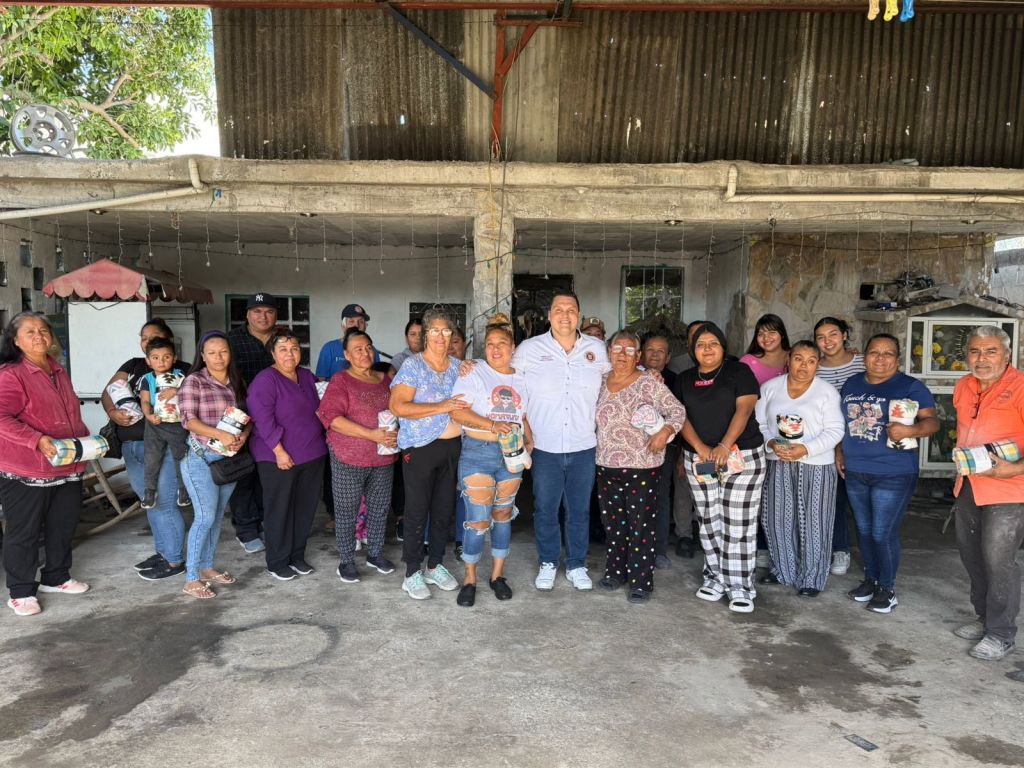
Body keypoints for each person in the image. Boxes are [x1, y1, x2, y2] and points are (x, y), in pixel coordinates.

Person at [513, 290, 611, 592]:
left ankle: (577, 564)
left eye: (571, 310)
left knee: (579, 510)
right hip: (544, 446)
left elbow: (616, 381)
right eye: (558, 309)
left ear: (578, 315)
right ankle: (548, 561)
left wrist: (649, 375)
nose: (565, 315)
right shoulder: (529, 348)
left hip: (584, 445)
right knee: (545, 508)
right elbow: (511, 386)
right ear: (549, 315)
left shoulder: (596, 348)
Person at [837, 333, 938, 614]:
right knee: (864, 530)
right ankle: (871, 579)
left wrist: (910, 429)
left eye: (888, 353)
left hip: (894, 471)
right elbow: (843, 423)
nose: (880, 359)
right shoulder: (852, 384)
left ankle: (887, 588)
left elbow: (932, 423)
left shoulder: (911, 387)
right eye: (874, 352)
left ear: (897, 359)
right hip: (856, 469)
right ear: (864, 356)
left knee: (882, 532)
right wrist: (839, 452)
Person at [0, 312, 91, 616]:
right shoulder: (11, 374)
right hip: (27, 467)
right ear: (15, 340)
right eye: (30, 332)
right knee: (24, 531)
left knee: (62, 525)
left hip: (66, 462)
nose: (39, 336)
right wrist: (36, 439)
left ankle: (56, 576)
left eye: (43, 330)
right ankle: (21, 591)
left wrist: (83, 442)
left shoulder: (57, 369)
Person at [673, 322, 765, 614]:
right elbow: (680, 417)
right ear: (693, 350)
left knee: (737, 522)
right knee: (709, 518)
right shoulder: (685, 379)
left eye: (713, 343)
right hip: (700, 458)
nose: (707, 349)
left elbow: (745, 409)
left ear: (723, 347)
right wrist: (701, 448)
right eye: (701, 345)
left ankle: (740, 586)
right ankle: (715, 577)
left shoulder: (739, 372)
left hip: (740, 455)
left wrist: (725, 445)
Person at [950, 326, 1024, 660]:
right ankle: (984, 618)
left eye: (991, 351)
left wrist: (1015, 468)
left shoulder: (1020, 387)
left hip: (1008, 490)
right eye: (975, 351)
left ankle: (1001, 633)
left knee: (999, 562)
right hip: (969, 484)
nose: (982, 359)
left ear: (1007, 354)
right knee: (972, 556)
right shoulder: (964, 386)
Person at [448, 313, 532, 607]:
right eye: (490, 344)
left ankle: (497, 576)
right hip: (478, 451)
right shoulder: (474, 372)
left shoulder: (522, 378)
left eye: (502, 343)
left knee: (503, 515)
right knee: (477, 520)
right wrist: (492, 425)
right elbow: (457, 412)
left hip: (511, 454)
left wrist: (529, 440)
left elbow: (522, 416)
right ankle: (469, 579)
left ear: (513, 348)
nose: (496, 349)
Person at [596, 330, 685, 604]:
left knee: (641, 526)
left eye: (629, 350)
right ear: (609, 352)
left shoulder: (648, 382)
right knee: (614, 524)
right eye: (617, 349)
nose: (622, 355)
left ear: (638, 356)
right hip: (605, 464)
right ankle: (616, 572)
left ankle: (641, 581)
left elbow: (677, 411)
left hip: (642, 466)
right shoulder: (600, 381)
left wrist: (665, 432)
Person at [389, 308, 468, 600]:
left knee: (444, 509)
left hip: (451, 448)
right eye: (434, 330)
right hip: (420, 447)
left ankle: (434, 565)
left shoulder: (458, 366)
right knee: (417, 510)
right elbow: (398, 406)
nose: (440, 336)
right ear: (425, 334)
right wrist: (442, 406)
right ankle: (412, 572)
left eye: (446, 331)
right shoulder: (413, 366)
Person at [755, 341, 844, 597]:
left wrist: (805, 449)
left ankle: (811, 579)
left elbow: (836, 430)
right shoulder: (770, 388)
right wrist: (771, 443)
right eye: (798, 359)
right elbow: (758, 423)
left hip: (816, 464)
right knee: (777, 518)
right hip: (778, 460)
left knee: (815, 521)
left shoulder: (826, 392)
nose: (804, 366)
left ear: (818, 364)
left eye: (811, 361)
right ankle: (783, 570)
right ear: (788, 360)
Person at [101, 318, 187, 580]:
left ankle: (174, 560)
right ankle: (163, 552)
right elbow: (108, 391)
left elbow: (197, 399)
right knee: (150, 502)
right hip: (132, 445)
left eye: (154, 336)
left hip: (164, 444)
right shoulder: (134, 365)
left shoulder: (183, 370)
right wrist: (113, 412)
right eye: (143, 338)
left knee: (165, 502)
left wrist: (177, 392)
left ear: (168, 340)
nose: (147, 341)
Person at [318, 328, 398, 583]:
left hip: (383, 456)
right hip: (348, 457)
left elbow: (398, 411)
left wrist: (396, 432)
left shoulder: (385, 380)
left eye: (368, 348)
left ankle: (375, 554)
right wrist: (371, 434)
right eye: (358, 349)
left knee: (379, 508)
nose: (365, 353)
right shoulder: (341, 380)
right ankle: (346, 561)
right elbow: (332, 418)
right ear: (347, 355)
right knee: (346, 510)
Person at [248, 329, 327, 581]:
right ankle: (277, 561)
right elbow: (262, 420)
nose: (289, 354)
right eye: (282, 349)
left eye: (294, 348)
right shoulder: (265, 380)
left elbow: (322, 408)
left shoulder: (306, 376)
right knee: (279, 509)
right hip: (278, 457)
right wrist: (279, 452)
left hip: (312, 453)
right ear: (272, 353)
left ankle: (296, 555)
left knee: (305, 509)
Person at [178, 331, 252, 599]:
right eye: (212, 353)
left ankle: (207, 567)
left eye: (223, 352)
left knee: (218, 516)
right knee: (205, 517)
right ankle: (191, 578)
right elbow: (188, 421)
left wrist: (243, 437)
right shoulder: (194, 381)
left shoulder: (237, 381)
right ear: (202, 355)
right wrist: (220, 434)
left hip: (228, 460)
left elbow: (248, 417)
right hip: (200, 459)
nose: (218, 357)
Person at [813, 316, 865, 577]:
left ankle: (869, 555)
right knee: (835, 500)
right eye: (821, 337)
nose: (828, 341)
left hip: (861, 441)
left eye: (833, 334)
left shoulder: (863, 362)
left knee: (862, 502)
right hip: (826, 444)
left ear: (844, 335)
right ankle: (839, 549)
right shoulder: (814, 368)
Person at [227, 292, 277, 555]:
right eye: (257, 311)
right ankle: (246, 528)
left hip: (275, 416)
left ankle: (265, 522)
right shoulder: (232, 340)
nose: (263, 316)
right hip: (241, 413)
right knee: (243, 473)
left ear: (275, 315)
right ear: (247, 315)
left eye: (268, 311)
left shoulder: (283, 338)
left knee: (267, 472)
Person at [138, 337, 190, 510]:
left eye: (166, 357)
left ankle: (184, 490)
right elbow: (145, 401)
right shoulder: (147, 379)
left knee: (181, 456)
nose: (161, 361)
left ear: (174, 358)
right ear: (148, 360)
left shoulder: (181, 376)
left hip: (177, 422)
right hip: (155, 422)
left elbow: (190, 393)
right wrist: (148, 415)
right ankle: (149, 491)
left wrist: (176, 390)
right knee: (152, 457)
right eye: (155, 358)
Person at [641, 332, 678, 569]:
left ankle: (659, 550)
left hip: (665, 448)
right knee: (635, 499)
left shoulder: (676, 381)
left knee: (660, 497)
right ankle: (634, 548)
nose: (655, 355)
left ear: (668, 357)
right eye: (650, 350)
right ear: (641, 354)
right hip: (633, 448)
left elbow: (681, 416)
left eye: (660, 351)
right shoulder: (631, 376)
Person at [673, 320, 708, 559]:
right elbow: (677, 412)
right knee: (683, 489)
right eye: (694, 337)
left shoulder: (728, 370)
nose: (700, 341)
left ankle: (707, 535)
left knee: (709, 490)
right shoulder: (681, 371)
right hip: (687, 443)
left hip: (715, 447)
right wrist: (680, 452)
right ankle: (684, 535)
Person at [315, 304, 380, 380]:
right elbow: (320, 381)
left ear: (366, 326)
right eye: (351, 321)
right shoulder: (329, 348)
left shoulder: (372, 351)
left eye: (361, 321)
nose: (356, 325)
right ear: (343, 326)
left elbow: (376, 378)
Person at [740, 313, 791, 386]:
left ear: (782, 335)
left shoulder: (794, 356)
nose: (766, 338)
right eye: (760, 334)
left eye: (772, 332)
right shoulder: (747, 362)